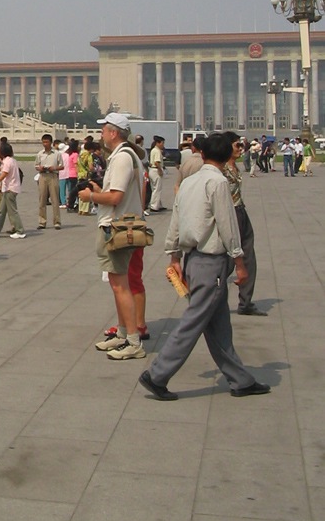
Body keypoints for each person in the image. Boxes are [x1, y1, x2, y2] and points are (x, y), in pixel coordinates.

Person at [139, 133, 271, 401]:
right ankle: (157, 374)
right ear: (225, 156)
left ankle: (240, 379)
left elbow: (176, 219)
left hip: (192, 259)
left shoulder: (190, 182)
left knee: (219, 324)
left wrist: (173, 256)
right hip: (212, 262)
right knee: (194, 320)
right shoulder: (217, 181)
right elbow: (227, 224)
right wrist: (240, 262)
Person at [82, 112, 146, 361]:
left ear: (113, 132)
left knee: (121, 285)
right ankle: (122, 332)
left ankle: (133, 340)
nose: (101, 134)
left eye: (104, 130)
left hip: (116, 228)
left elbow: (116, 198)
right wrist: (101, 190)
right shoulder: (126, 156)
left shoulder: (121, 158)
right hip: (120, 224)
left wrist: (91, 197)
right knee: (118, 283)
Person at [222, 131, 264, 316]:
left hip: (241, 212)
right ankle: (211, 301)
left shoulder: (235, 167)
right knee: (227, 261)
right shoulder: (221, 169)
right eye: (237, 145)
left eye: (241, 145)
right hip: (228, 215)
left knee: (249, 259)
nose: (241, 148)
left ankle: (245, 302)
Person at [0, 141, 26, 238]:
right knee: (1, 210)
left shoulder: (7, 162)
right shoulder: (11, 160)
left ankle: (20, 231)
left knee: (12, 211)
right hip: (8, 188)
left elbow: (4, 175)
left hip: (10, 189)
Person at [35, 133, 64, 228]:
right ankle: (42, 221)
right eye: (43, 142)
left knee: (55, 199)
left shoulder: (57, 154)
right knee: (42, 200)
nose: (45, 144)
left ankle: (57, 221)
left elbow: (62, 166)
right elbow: (36, 166)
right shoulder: (40, 154)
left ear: (51, 142)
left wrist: (54, 168)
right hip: (43, 176)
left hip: (53, 176)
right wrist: (40, 168)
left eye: (47, 142)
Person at [148, 135, 167, 212]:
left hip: (152, 170)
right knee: (157, 189)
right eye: (162, 143)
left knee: (155, 188)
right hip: (156, 170)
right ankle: (154, 206)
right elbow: (156, 162)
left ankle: (158, 204)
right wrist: (160, 170)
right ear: (158, 143)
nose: (163, 145)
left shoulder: (153, 150)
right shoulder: (157, 151)